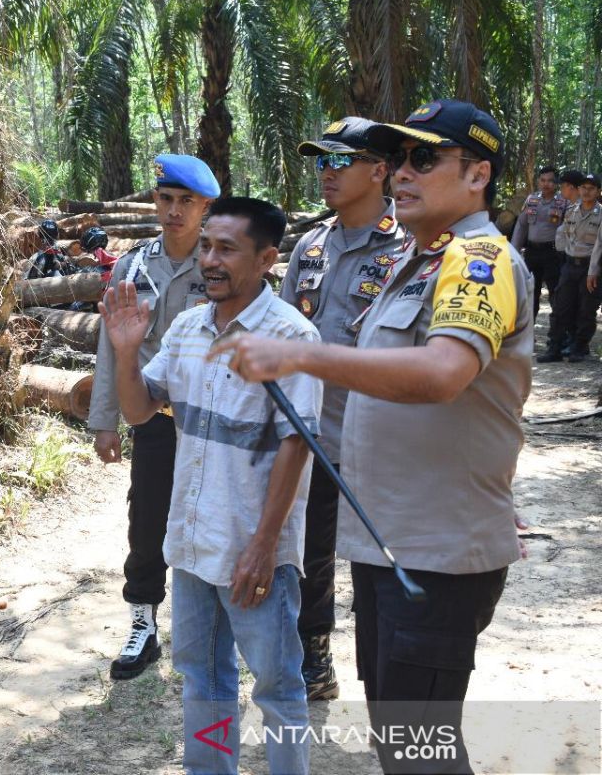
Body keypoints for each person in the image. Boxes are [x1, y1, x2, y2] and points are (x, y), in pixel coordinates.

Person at [211, 99, 531, 774]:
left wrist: (302, 356)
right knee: (402, 743)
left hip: (438, 552)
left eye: (424, 158)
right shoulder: (417, 260)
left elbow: (445, 371)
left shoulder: (478, 260)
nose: (404, 174)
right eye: (400, 160)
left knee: (422, 755)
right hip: (392, 543)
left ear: (478, 175)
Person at [101, 196, 318, 775]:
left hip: (254, 549)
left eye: (227, 249)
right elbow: (142, 410)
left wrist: (264, 547)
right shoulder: (189, 327)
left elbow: (296, 446)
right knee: (203, 677)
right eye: (206, 246)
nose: (210, 261)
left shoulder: (290, 336)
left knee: (276, 686)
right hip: (194, 543)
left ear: (268, 258)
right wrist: (125, 352)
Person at [282, 117, 405, 701]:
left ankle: (393, 676)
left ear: (379, 170)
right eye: (321, 160)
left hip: (382, 438)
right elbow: (282, 331)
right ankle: (316, 656)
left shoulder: (413, 248)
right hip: (312, 432)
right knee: (311, 553)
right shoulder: (310, 243)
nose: (326, 172)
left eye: (340, 160)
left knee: (381, 562)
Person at [89, 154, 219, 680]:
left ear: (205, 206)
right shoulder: (133, 266)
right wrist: (104, 419)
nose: (173, 211)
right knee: (147, 521)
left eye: (186, 201)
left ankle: (206, 628)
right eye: (166, 199)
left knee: (210, 518)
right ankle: (142, 623)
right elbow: (109, 344)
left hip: (210, 417)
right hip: (152, 416)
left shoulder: (220, 263)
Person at [538, 173, 602, 363]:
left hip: (590, 268)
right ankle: (554, 347)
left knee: (586, 310)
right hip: (569, 265)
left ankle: (579, 347)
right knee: (560, 307)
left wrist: (593, 272)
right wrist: (563, 260)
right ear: (578, 189)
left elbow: (599, 246)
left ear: (598, 191)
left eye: (591, 188)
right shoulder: (571, 210)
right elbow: (564, 236)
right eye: (583, 187)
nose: (586, 192)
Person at [511, 166, 569, 317]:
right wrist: (513, 250)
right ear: (538, 181)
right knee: (530, 292)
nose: (546, 184)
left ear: (556, 183)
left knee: (555, 293)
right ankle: (529, 333)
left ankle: (557, 335)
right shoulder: (532, 200)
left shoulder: (563, 203)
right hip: (532, 253)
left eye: (550, 181)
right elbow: (521, 225)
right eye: (543, 180)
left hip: (552, 253)